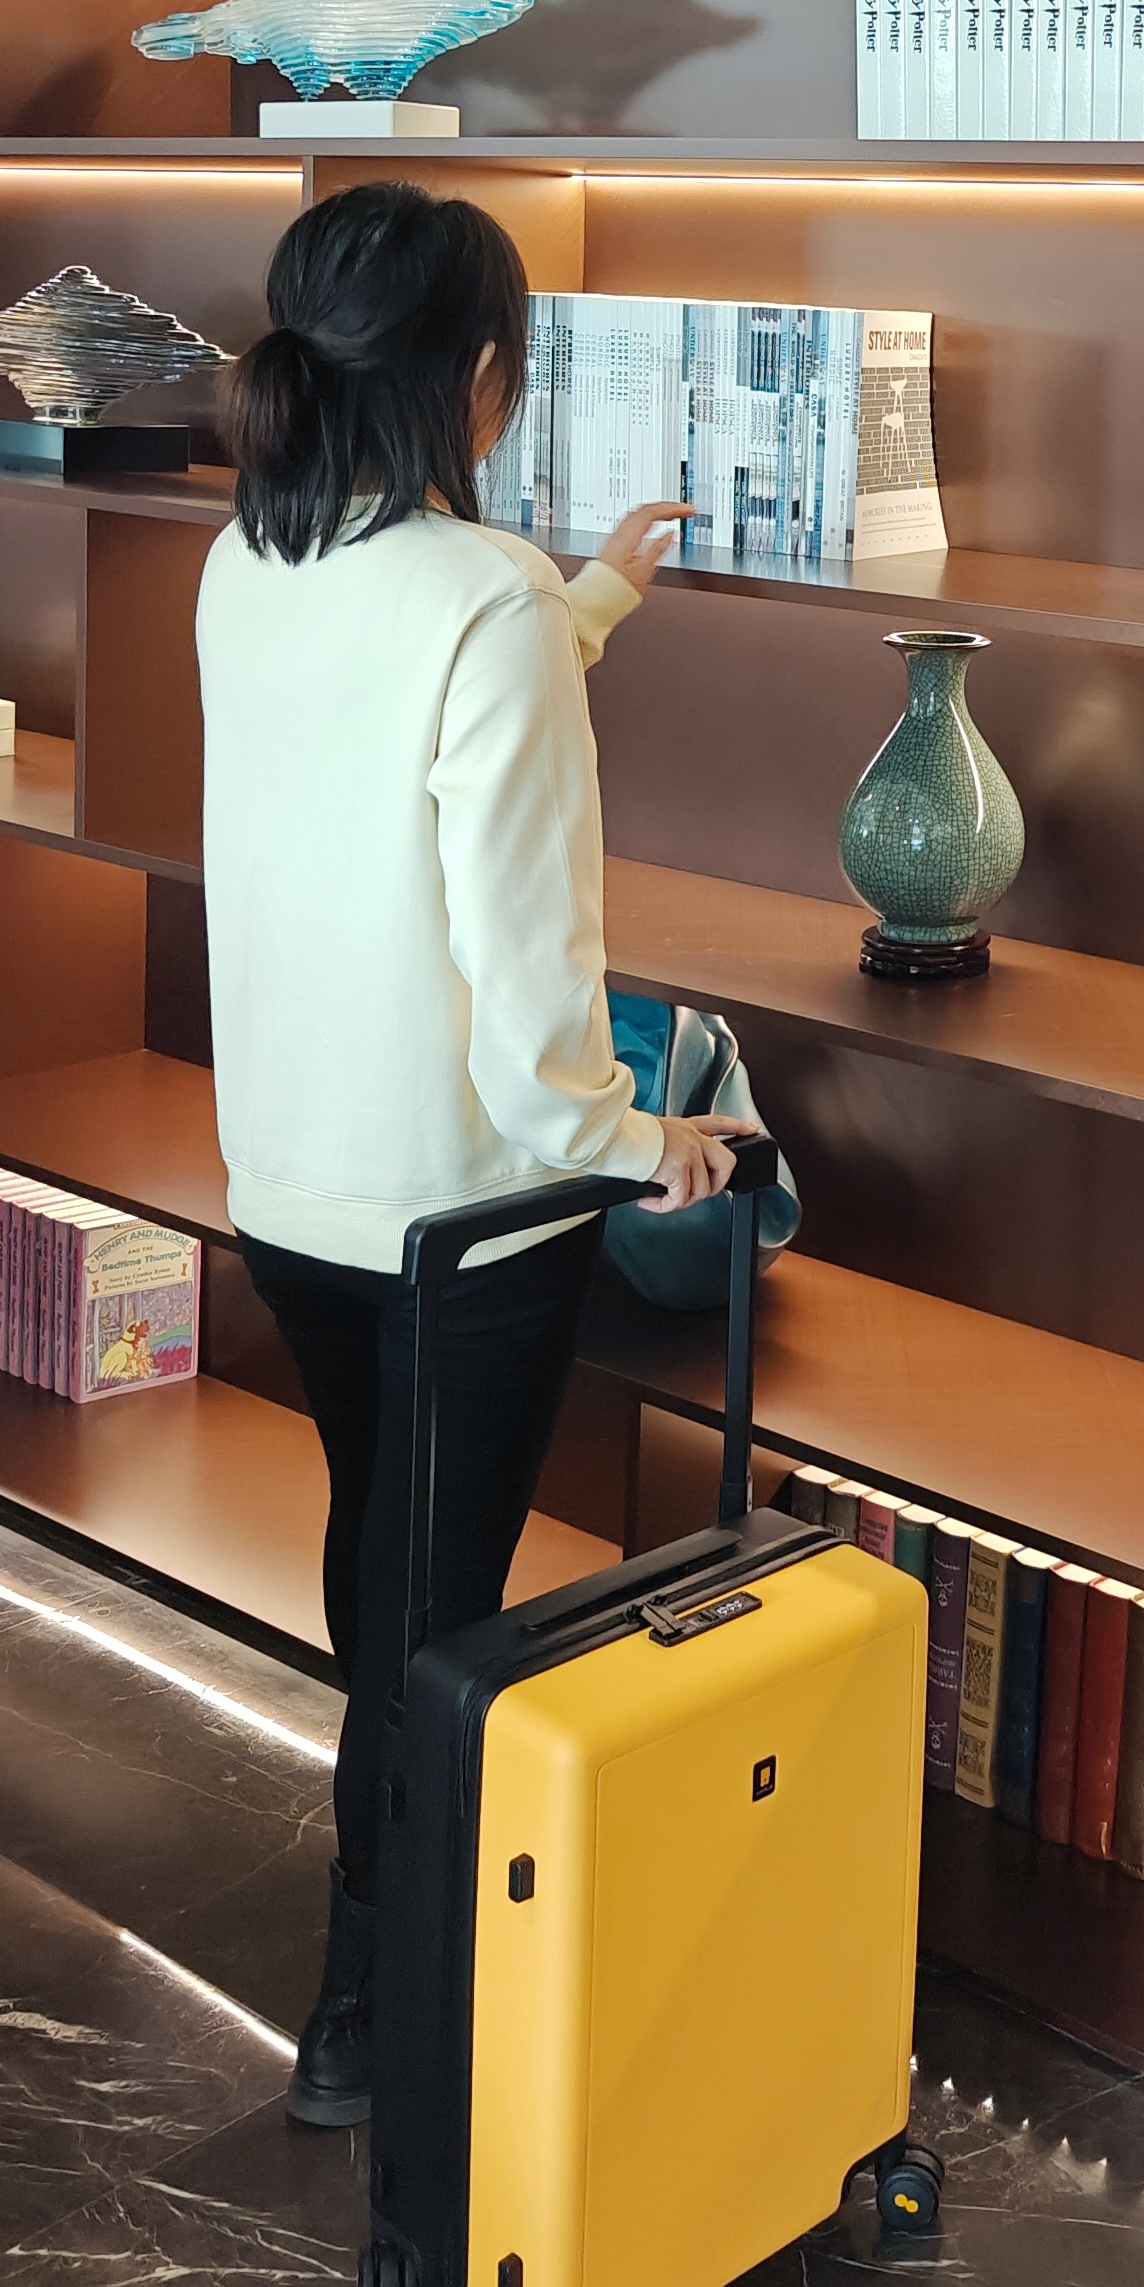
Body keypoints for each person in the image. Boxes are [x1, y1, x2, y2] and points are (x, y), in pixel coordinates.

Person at [197, 180, 749, 2126]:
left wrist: (584, 600)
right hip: (464, 1222)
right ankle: (371, 2012)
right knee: (435, 1624)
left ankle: (385, 1966)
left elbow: (396, 722)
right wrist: (642, 1142)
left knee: (384, 1550)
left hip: (291, 1184)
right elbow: (532, 1004)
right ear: (485, 378)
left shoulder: (249, 560)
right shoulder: (482, 603)